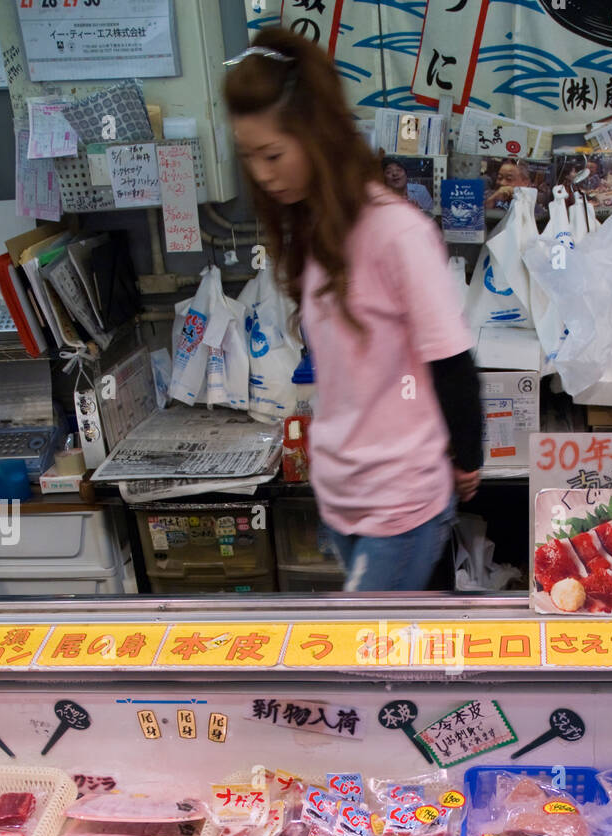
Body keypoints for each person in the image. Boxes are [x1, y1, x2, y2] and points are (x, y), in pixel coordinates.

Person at [224, 31, 483, 592]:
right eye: (249, 157)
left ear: (317, 137)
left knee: (364, 663)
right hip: (342, 491)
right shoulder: (314, 226)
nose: (263, 174)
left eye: (273, 154)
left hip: (402, 498)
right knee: (391, 664)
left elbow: (451, 362)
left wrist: (467, 458)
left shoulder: (398, 232)